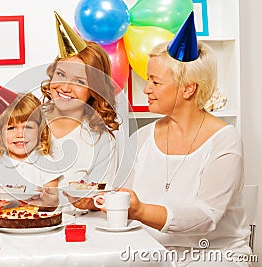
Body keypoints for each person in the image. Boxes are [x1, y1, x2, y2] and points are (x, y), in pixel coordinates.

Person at [106, 12, 251, 266]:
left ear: (188, 88)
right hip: (150, 256)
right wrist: (100, 200)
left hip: (214, 257)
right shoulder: (141, 138)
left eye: (155, 82)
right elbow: (124, 198)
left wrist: (140, 210)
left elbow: (207, 217)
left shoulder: (224, 142)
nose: (146, 89)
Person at [39, 12, 120, 211]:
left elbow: (102, 199)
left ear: (94, 89)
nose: (65, 87)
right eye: (61, 74)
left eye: (79, 81)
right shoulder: (26, 121)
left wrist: (90, 203)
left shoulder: (101, 140)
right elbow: (5, 178)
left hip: (77, 235)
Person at [0, 76, 61, 213]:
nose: (20, 134)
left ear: (40, 132)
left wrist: (47, 198)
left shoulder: (46, 162)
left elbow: (54, 203)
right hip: (4, 225)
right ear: (0, 134)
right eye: (11, 128)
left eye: (28, 128)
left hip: (36, 224)